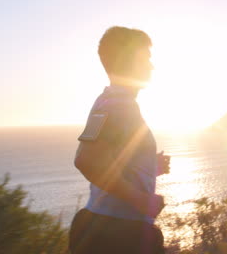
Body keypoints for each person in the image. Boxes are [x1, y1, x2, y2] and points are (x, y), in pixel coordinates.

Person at [69, 26, 170, 254]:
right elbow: (86, 161)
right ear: (129, 60)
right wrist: (140, 200)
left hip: (101, 225)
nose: (151, 66)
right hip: (119, 235)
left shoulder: (106, 101)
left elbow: (95, 155)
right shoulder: (119, 106)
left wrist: (147, 166)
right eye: (146, 58)